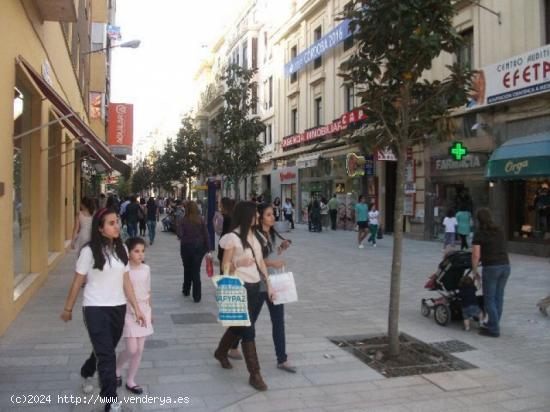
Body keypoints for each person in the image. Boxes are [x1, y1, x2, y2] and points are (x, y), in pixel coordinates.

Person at [60, 207, 145, 412]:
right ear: (100, 228)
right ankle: (111, 399)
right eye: (111, 223)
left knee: (103, 350)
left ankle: (87, 370)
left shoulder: (122, 249)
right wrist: (68, 308)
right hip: (95, 308)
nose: (117, 226)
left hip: (118, 307)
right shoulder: (89, 252)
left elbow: (126, 282)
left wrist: (137, 308)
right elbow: (77, 281)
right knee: (107, 355)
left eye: (117, 221)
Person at [229, 203, 296, 372]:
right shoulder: (254, 235)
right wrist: (273, 262)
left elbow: (270, 254)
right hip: (258, 284)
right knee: (250, 319)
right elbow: (257, 261)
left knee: (278, 321)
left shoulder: (270, 233)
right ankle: (232, 345)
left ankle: (282, 358)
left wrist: (281, 248)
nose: (272, 217)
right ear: (259, 217)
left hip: (274, 283)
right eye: (268, 215)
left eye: (273, 214)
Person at [215, 201, 274, 391]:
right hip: (239, 288)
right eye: (255, 214)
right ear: (247, 215)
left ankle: (221, 352)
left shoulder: (255, 236)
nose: (257, 217)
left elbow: (261, 263)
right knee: (248, 330)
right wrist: (238, 263)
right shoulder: (232, 238)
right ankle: (255, 374)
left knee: (239, 325)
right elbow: (224, 268)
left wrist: (269, 285)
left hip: (255, 287)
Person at [115, 237, 154, 395]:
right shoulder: (124, 270)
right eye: (136, 251)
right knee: (131, 348)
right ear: (128, 253)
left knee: (140, 349)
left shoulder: (146, 269)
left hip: (144, 311)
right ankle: (117, 368)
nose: (140, 254)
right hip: (128, 311)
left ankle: (131, 380)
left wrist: (151, 311)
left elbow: (148, 290)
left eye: (142, 251)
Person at [471, 207, 511, 338]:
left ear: (478, 220)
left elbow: (476, 255)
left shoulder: (479, 233)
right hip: (505, 265)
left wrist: (474, 270)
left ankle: (494, 329)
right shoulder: (500, 230)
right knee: (499, 297)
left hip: (491, 268)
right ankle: (493, 324)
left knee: (489, 299)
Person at [177, 201, 211, 302]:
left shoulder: (183, 220)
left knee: (187, 269)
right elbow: (206, 235)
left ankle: (186, 289)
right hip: (199, 248)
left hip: (186, 247)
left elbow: (179, 234)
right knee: (196, 271)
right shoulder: (201, 219)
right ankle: (197, 295)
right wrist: (208, 249)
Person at [217, 197, 235, 275]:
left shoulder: (224, 217)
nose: (219, 204)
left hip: (225, 244)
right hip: (230, 243)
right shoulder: (233, 215)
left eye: (220, 203)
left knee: (224, 269)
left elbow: (218, 230)